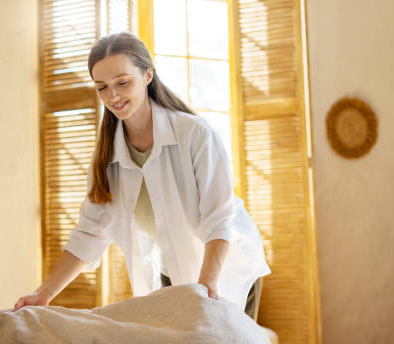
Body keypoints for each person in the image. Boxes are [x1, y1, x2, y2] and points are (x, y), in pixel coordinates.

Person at [14, 32, 270, 316]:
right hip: (172, 269)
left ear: (148, 75)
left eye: (123, 82)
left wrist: (207, 285)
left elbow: (219, 220)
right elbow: (89, 234)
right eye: (102, 87)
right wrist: (42, 294)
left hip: (226, 267)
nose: (113, 95)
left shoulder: (194, 134)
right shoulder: (107, 157)